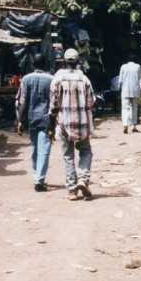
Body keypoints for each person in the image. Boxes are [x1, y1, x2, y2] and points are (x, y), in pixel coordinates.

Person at [49, 48, 95, 201]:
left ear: (63, 61)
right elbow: (91, 102)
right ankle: (83, 179)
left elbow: (53, 105)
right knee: (86, 151)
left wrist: (51, 124)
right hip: (82, 122)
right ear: (78, 62)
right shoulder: (85, 79)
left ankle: (72, 190)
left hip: (64, 123)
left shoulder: (57, 78)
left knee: (68, 155)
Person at [16, 53, 54, 191]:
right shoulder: (51, 79)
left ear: (33, 64)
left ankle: (37, 175)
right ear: (45, 64)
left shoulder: (26, 79)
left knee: (35, 148)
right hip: (46, 119)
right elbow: (54, 102)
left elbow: (22, 101)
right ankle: (39, 179)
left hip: (31, 118)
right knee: (44, 149)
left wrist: (20, 120)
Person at [118, 54, 141, 134]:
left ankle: (125, 125)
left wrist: (119, 89)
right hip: (135, 90)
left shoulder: (123, 67)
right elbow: (139, 78)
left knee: (125, 108)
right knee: (134, 108)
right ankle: (134, 126)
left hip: (125, 90)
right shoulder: (138, 66)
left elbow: (120, 80)